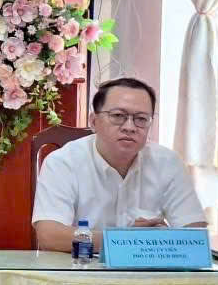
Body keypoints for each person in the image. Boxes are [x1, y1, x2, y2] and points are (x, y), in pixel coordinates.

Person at [32, 77, 205, 252]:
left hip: (147, 268)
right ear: (94, 122)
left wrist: (157, 240)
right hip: (80, 267)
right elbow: (50, 236)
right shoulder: (63, 162)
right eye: (118, 116)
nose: (129, 127)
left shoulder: (168, 163)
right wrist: (126, 240)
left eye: (141, 119)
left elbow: (195, 235)